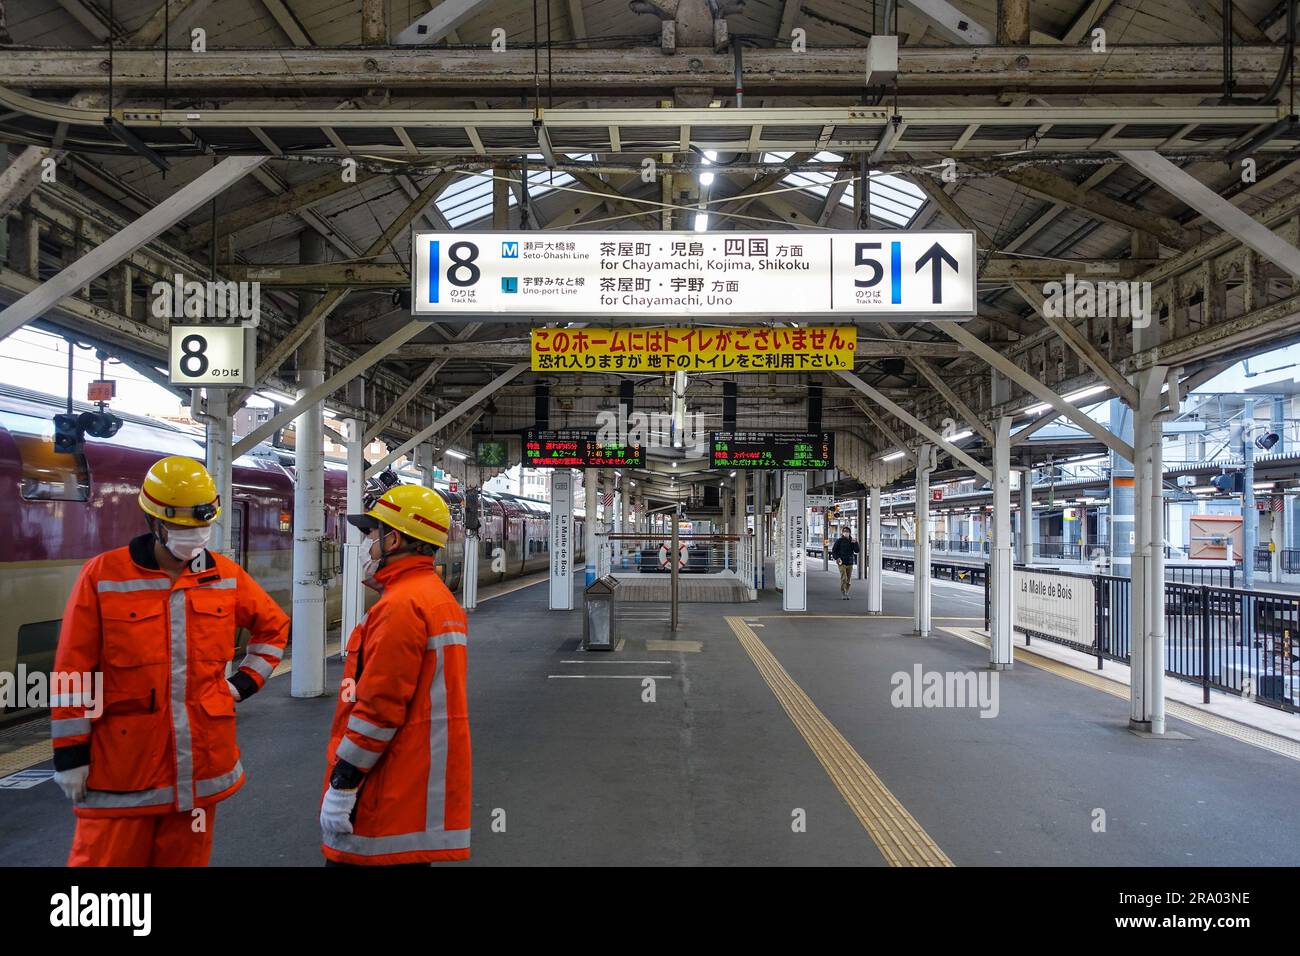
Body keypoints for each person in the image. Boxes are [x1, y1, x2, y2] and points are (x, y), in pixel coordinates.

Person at [50, 456, 289, 866]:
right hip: (123, 771)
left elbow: (273, 629)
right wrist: (70, 754)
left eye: (199, 527)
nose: (192, 537)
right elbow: (72, 671)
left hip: (200, 769)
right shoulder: (103, 576)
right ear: (153, 523)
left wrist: (243, 684)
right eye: (180, 528)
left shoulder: (224, 576)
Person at [319, 483, 470, 866]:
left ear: (393, 540)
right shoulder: (435, 598)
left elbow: (379, 708)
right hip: (413, 784)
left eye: (372, 533)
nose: (367, 545)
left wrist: (344, 782)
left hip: (384, 791)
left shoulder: (402, 606)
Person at [830, 525, 859, 600]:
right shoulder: (839, 541)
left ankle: (846, 592)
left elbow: (857, 551)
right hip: (841, 562)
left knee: (848, 579)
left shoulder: (852, 541)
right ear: (842, 533)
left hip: (850, 562)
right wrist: (837, 558)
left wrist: (855, 543)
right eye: (844, 532)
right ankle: (843, 592)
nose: (846, 533)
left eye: (847, 532)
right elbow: (834, 550)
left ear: (850, 533)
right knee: (844, 578)